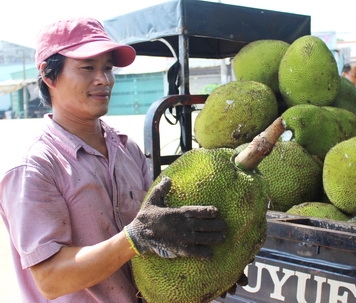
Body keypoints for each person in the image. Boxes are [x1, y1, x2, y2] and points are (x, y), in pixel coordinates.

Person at [0, 17, 229, 302]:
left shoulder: (126, 149)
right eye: (88, 68)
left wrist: (211, 267)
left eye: (107, 68)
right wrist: (135, 237)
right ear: (49, 75)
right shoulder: (33, 168)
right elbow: (50, 278)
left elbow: (158, 233)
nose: (104, 79)